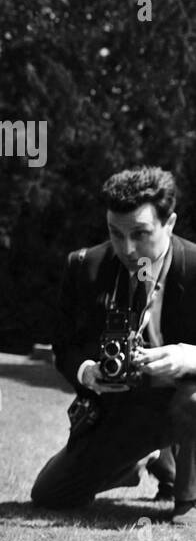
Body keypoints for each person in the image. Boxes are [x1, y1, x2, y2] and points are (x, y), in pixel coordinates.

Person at [31, 166, 196, 519]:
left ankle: (188, 500)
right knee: (51, 494)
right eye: (115, 233)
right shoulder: (84, 266)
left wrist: (187, 357)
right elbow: (64, 346)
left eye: (140, 233)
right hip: (122, 410)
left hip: (184, 399)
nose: (127, 247)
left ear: (170, 224)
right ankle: (150, 457)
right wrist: (88, 370)